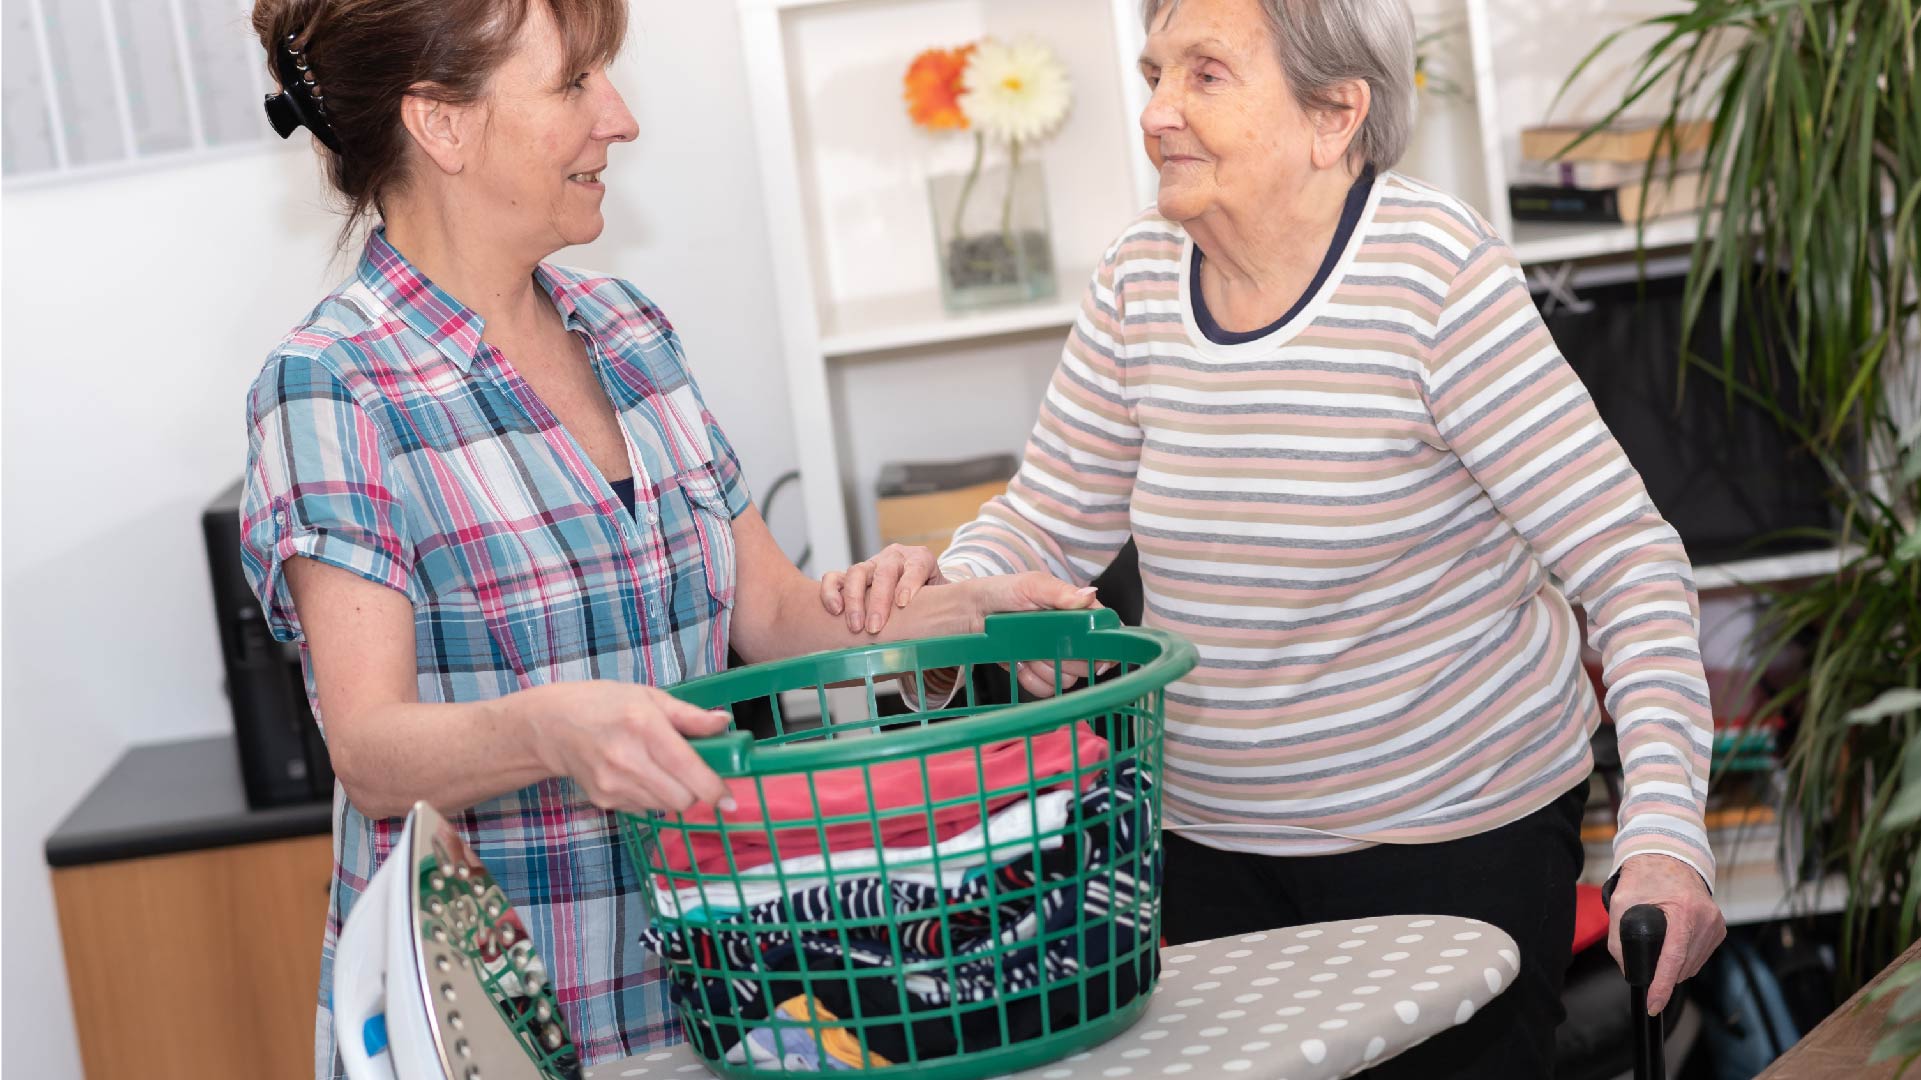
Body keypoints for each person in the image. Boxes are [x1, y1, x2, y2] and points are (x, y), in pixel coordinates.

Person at [820, 0, 1726, 1073]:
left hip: (1451, 840)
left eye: (1204, 75)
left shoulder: (1431, 276)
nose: (1155, 111)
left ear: (1334, 114)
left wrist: (1666, 832)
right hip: (1207, 847)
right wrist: (945, 594)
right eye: (1154, 71)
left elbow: (1627, 562)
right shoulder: (1140, 280)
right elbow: (1041, 523)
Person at [238, 2, 1094, 1075]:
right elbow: (369, 751)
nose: (621, 118)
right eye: (574, 84)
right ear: (443, 126)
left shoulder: (629, 331)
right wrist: (550, 732)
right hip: (503, 1027)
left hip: (717, 1001)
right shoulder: (333, 385)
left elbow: (777, 616)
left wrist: (965, 618)